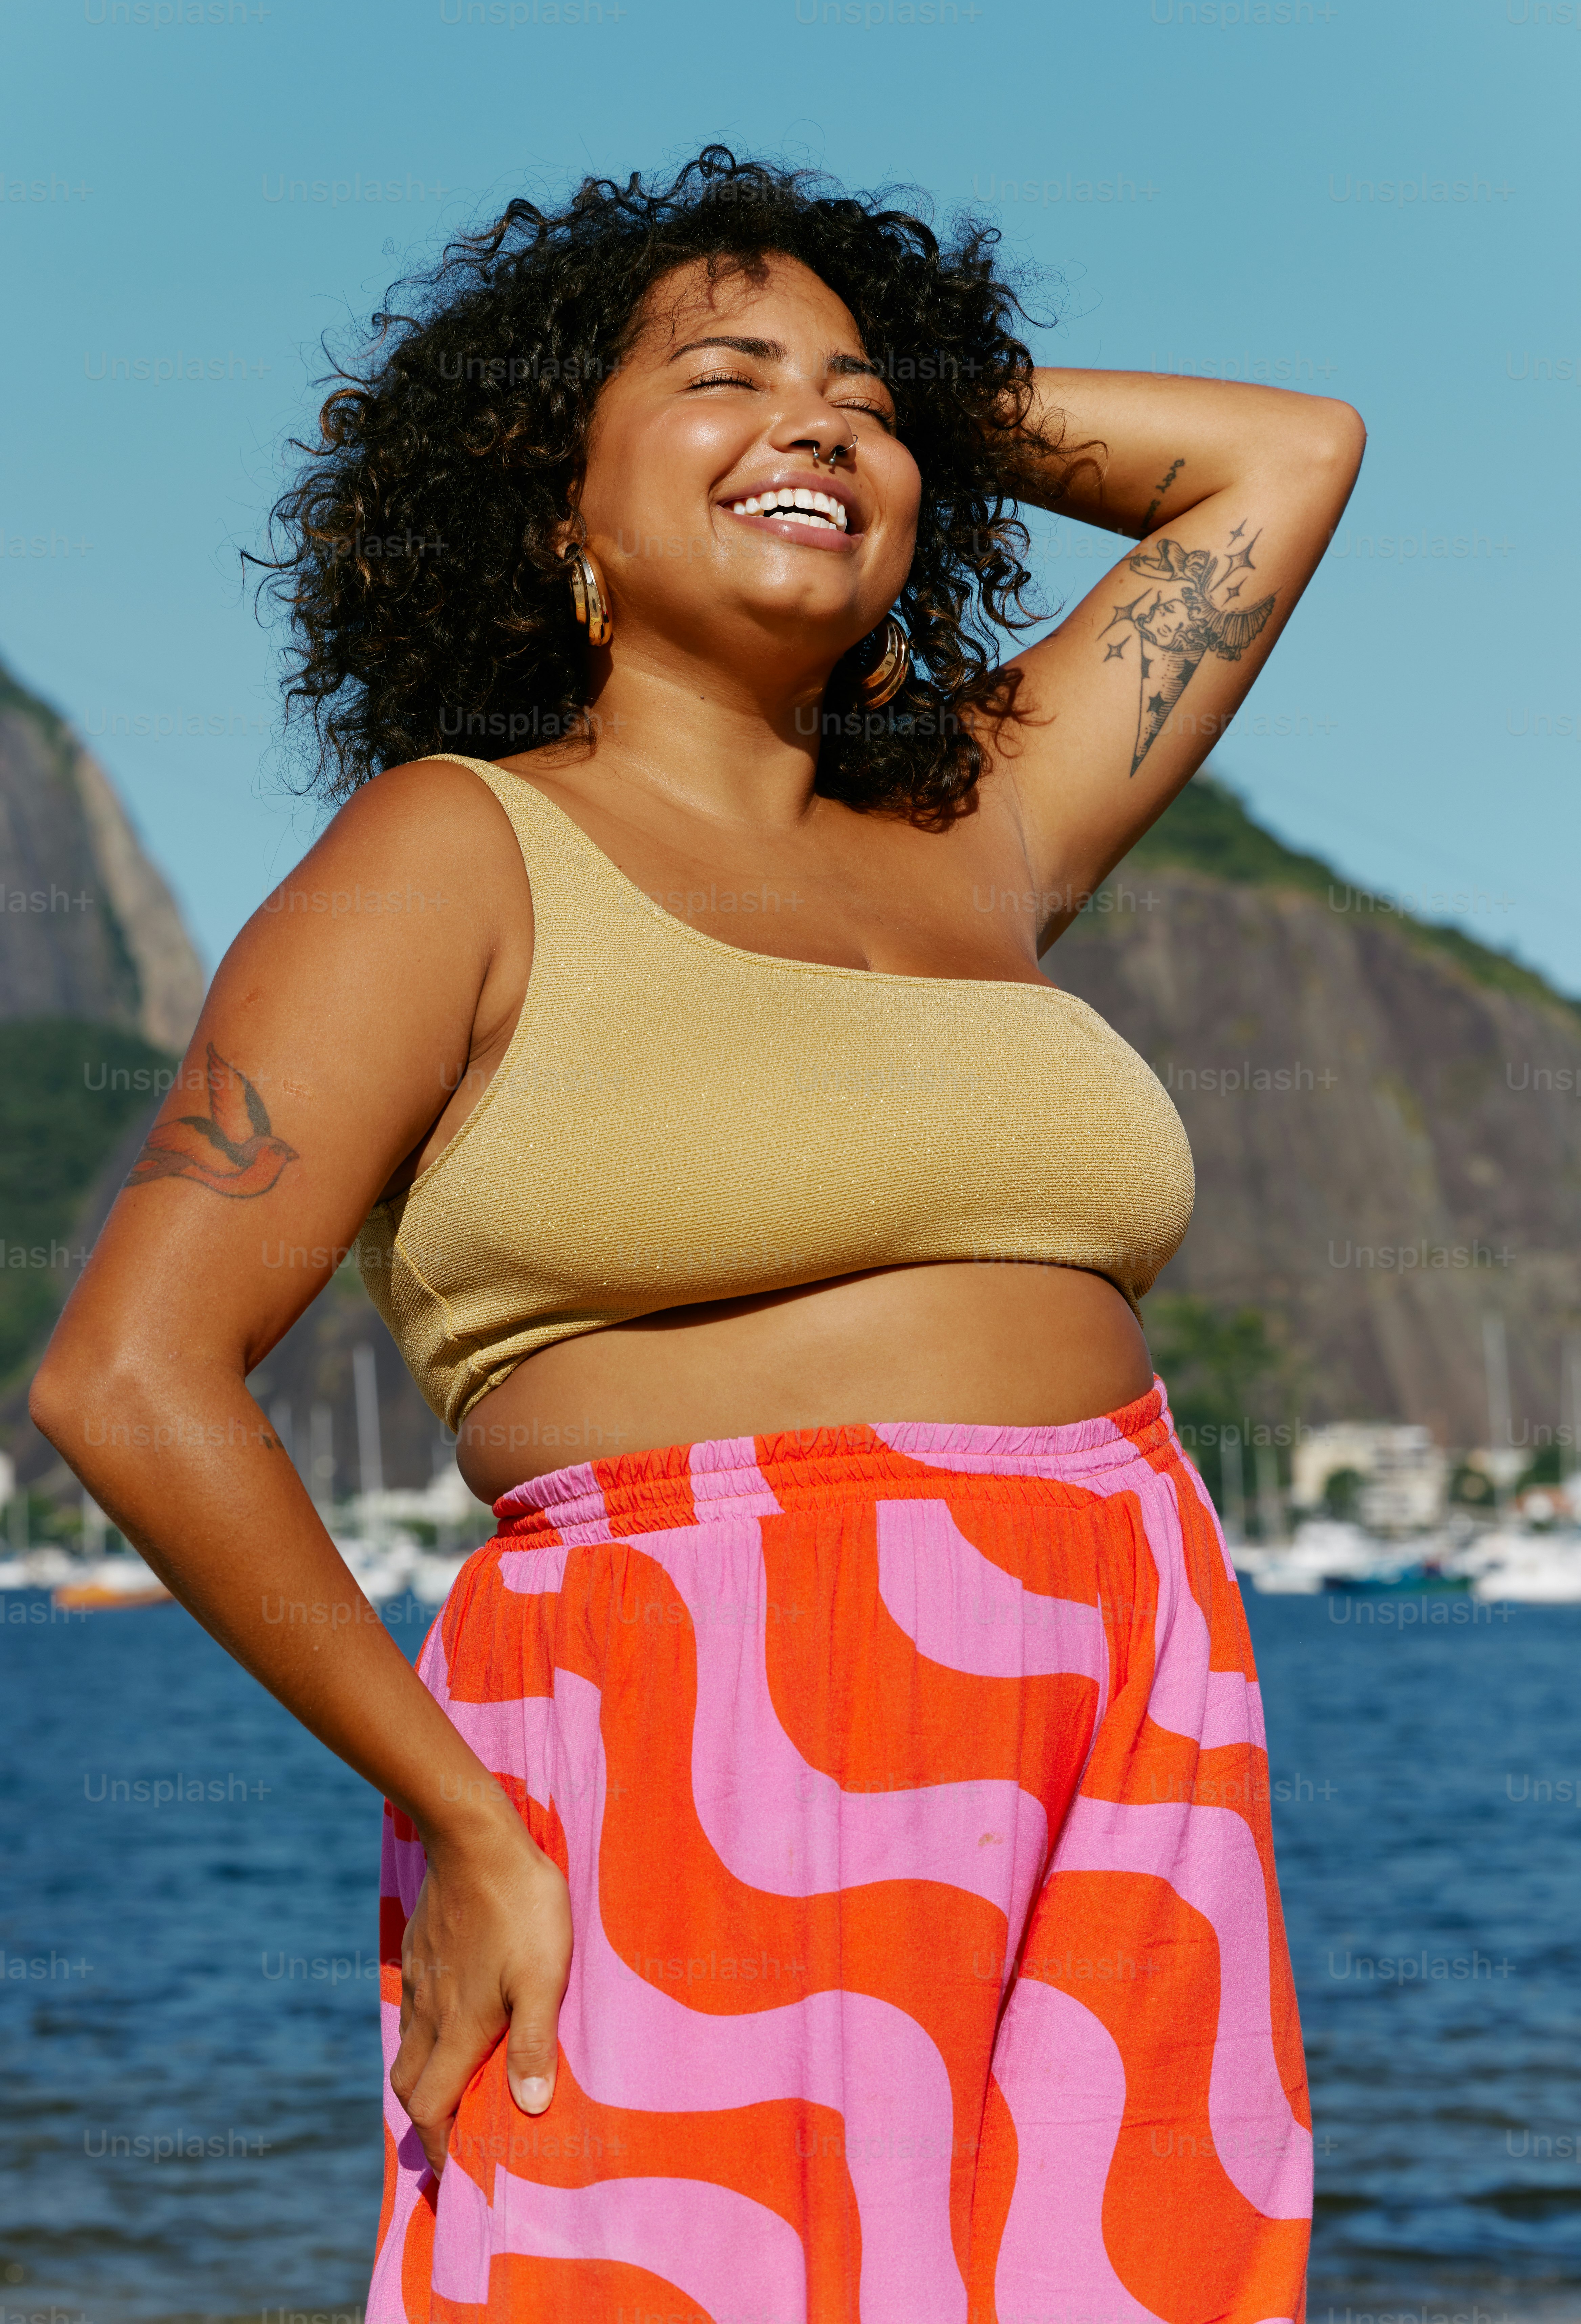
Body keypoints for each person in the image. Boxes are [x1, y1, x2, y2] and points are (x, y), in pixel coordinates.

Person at [33, 149, 1364, 2321]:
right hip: (696, 1707)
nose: (820, 424)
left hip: (1128, 1695)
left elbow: (1280, 458)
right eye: (721, 379)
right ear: (553, 495)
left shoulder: (980, 828)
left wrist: (876, 395)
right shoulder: (454, 847)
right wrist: (462, 1818)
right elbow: (128, 1370)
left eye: (863, 398)